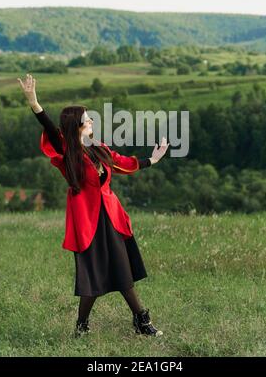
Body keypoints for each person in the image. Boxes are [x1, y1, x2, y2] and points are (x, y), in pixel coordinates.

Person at [17, 73, 169, 338]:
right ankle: (81, 327)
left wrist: (152, 160)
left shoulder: (99, 149)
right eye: (87, 121)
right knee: (91, 279)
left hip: (110, 218)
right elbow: (53, 132)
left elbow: (122, 163)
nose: (91, 123)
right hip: (87, 222)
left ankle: (141, 322)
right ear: (76, 127)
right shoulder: (68, 153)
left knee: (122, 271)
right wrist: (35, 104)